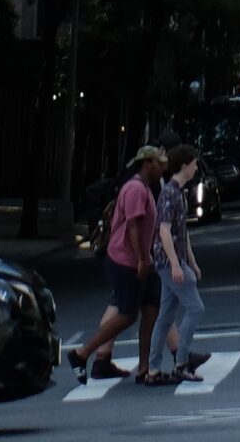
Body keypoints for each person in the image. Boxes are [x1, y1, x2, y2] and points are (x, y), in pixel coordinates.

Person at [70, 145, 165, 382]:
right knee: (127, 314)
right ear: (147, 164)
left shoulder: (143, 187)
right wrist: (141, 259)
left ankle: (145, 367)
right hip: (126, 261)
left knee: (152, 307)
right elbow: (132, 226)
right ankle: (81, 354)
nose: (163, 168)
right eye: (159, 163)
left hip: (144, 261)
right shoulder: (134, 189)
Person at [146, 146, 205, 384]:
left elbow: (182, 231)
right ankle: (181, 363)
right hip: (168, 261)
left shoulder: (177, 192)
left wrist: (191, 260)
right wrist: (176, 265)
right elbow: (164, 231)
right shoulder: (170, 193)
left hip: (173, 259)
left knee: (165, 317)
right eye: (194, 163)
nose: (196, 167)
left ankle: (153, 369)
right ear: (184, 165)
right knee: (195, 308)